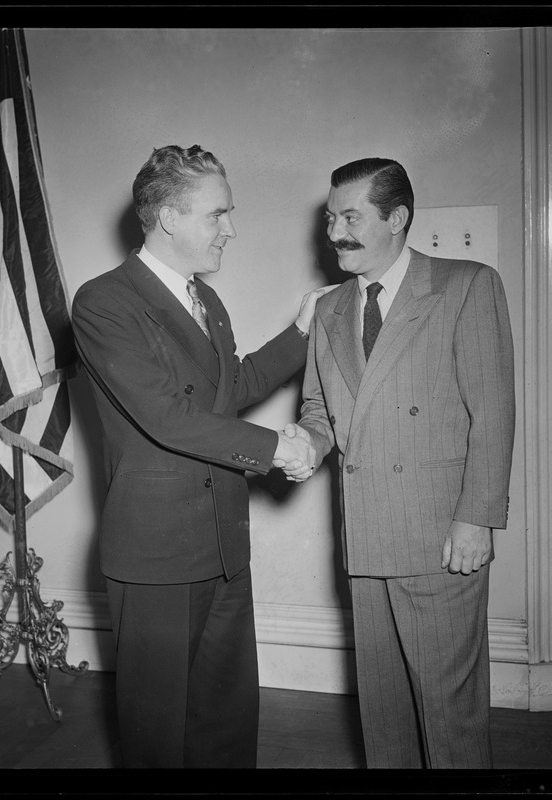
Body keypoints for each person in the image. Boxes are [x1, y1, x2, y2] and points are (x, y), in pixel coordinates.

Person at [70, 144, 328, 769]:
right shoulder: (104, 302)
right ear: (168, 219)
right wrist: (277, 448)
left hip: (221, 540)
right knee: (156, 733)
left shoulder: (205, 302)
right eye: (218, 215)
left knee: (227, 717)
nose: (230, 229)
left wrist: (299, 335)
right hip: (157, 551)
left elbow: (227, 391)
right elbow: (168, 417)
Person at [280, 157, 515, 769]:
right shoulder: (328, 309)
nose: (335, 233)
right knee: (382, 716)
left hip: (440, 536)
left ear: (397, 218)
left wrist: (477, 519)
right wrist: (305, 442)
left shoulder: (466, 285)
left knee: (450, 713)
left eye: (351, 217)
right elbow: (321, 407)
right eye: (331, 218)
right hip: (365, 533)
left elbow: (492, 412)